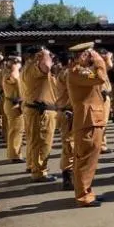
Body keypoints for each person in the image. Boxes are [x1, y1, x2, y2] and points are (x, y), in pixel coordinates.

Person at [66, 42, 109, 207]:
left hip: (92, 119)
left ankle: (87, 192)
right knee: (85, 159)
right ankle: (83, 195)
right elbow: (100, 77)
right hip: (87, 120)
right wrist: (99, 61)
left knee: (89, 159)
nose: (92, 56)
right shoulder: (77, 72)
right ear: (80, 56)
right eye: (88, 54)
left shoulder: (82, 71)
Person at [22, 46, 58, 183]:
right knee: (43, 143)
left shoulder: (28, 67)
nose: (51, 57)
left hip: (34, 109)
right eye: (48, 55)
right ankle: (39, 172)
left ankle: (32, 166)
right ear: (38, 56)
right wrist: (45, 54)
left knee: (34, 141)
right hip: (40, 111)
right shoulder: (35, 68)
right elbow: (47, 67)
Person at [53, 52, 74, 192]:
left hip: (65, 111)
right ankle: (68, 178)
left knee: (70, 145)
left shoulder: (63, 73)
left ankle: (70, 176)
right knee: (70, 146)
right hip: (68, 113)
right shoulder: (68, 74)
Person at [1, 54, 25, 163]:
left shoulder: (6, 72)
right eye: (18, 62)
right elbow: (16, 81)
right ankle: (15, 155)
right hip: (14, 104)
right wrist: (16, 68)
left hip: (10, 103)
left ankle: (14, 153)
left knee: (14, 130)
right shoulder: (11, 74)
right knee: (16, 130)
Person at [98, 48, 114, 153]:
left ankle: (102, 144)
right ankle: (100, 145)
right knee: (102, 122)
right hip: (101, 96)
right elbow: (110, 65)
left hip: (104, 95)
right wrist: (108, 57)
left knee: (104, 122)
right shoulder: (99, 66)